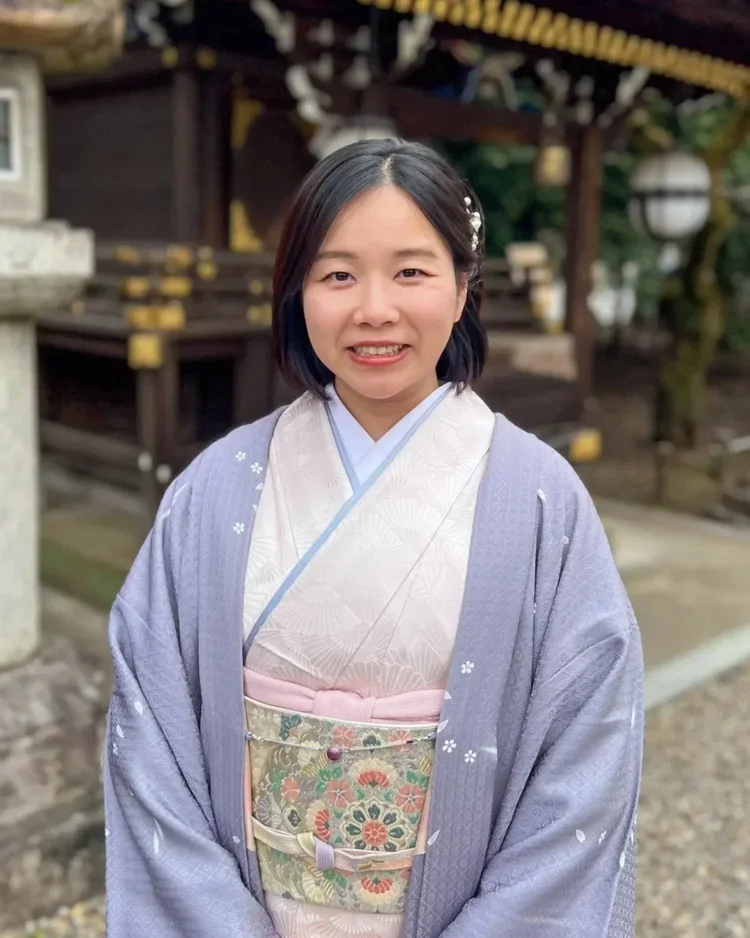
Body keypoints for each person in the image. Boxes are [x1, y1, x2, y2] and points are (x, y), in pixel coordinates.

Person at [103, 139, 644, 938]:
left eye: (412, 272)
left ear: (464, 289)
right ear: (298, 295)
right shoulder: (215, 490)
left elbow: (585, 762)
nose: (375, 309)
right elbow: (150, 735)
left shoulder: (539, 501)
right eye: (338, 274)